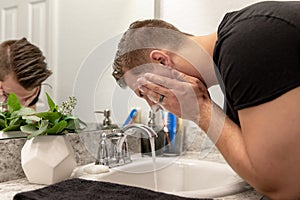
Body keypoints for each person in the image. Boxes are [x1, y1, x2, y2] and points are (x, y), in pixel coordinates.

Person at [112, 1, 300, 199]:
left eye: (144, 91)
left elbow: (282, 186)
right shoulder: (242, 43)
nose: (154, 106)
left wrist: (200, 109)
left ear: (161, 61)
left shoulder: (246, 43)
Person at [0, 38, 52, 108]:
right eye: (8, 95)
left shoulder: (32, 83)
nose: (21, 106)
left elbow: (31, 115)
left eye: (27, 98)